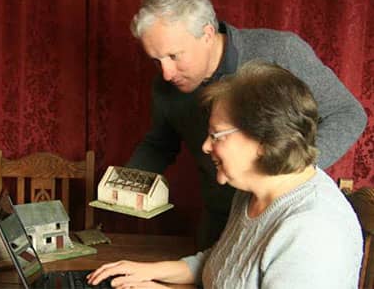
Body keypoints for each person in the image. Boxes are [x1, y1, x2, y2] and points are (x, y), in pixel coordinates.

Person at [88, 61, 364, 289]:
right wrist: (147, 272)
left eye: (216, 135)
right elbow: (222, 267)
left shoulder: (313, 232)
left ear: (263, 140)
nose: (206, 146)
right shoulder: (251, 192)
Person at [125, 0, 367, 249]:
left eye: (174, 56)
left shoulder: (281, 51)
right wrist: (123, 184)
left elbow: (348, 114)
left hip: (282, 218)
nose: (166, 73)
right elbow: (160, 144)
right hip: (219, 222)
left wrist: (285, 169)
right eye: (156, 60)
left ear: (207, 34)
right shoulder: (164, 87)